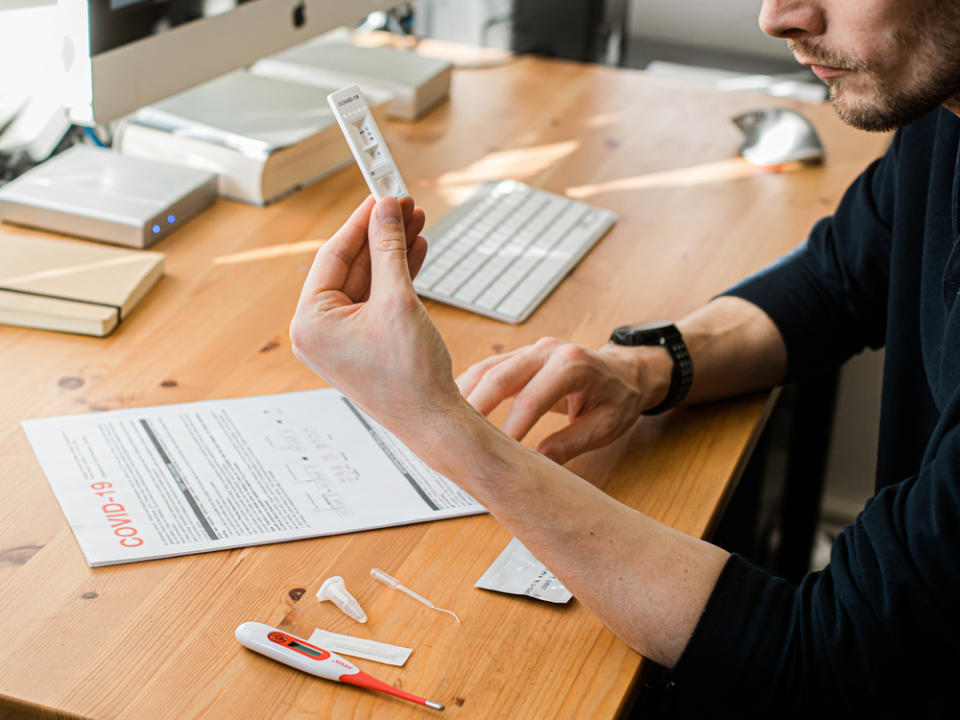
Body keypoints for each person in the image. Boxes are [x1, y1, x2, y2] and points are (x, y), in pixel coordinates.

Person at [289, 0, 960, 715]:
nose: (776, 17)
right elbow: (842, 276)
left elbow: (828, 654)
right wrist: (646, 366)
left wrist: (439, 423)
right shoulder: (939, 109)